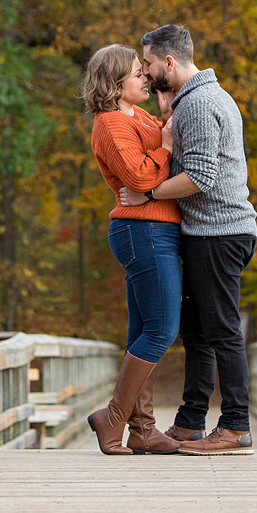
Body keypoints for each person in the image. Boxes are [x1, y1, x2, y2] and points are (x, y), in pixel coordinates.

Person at [120, 24, 257, 456]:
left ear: (168, 62)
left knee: (220, 330)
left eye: (147, 63)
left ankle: (235, 426)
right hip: (213, 231)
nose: (144, 72)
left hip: (219, 232)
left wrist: (148, 193)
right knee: (197, 332)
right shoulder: (198, 99)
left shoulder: (199, 104)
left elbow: (200, 176)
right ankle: (190, 421)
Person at [82, 44, 184, 456]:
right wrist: (169, 147)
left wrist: (166, 112)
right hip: (142, 232)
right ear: (114, 81)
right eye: (136, 73)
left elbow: (158, 138)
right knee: (161, 330)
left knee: (143, 330)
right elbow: (140, 176)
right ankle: (113, 418)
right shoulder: (109, 124)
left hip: (155, 228)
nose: (145, 77)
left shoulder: (136, 114)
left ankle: (142, 429)